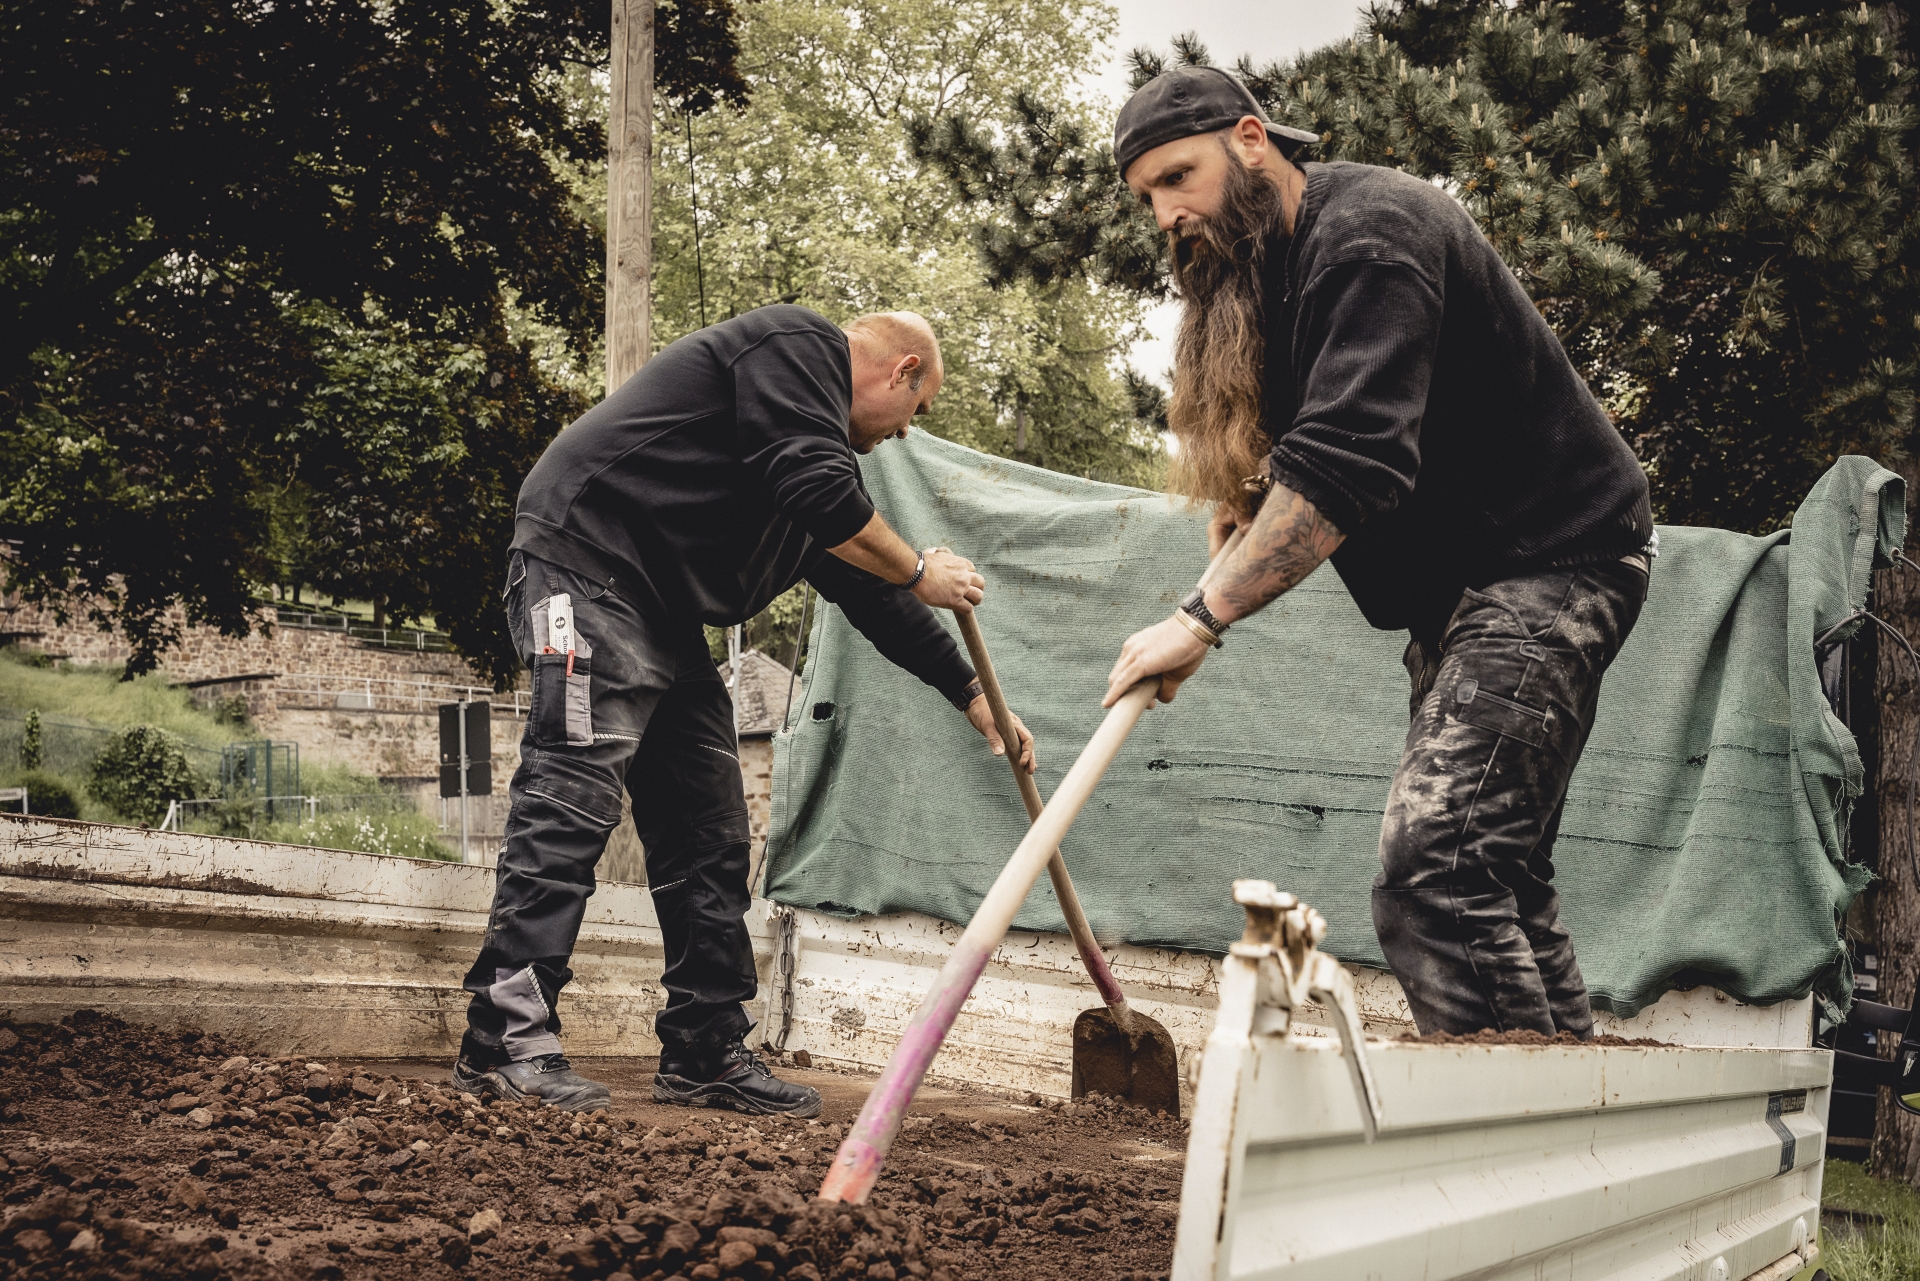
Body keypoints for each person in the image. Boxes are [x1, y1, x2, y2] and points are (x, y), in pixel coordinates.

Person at [1100, 66, 1655, 1039]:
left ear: (1249, 137)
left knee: (1436, 871)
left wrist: (1200, 619)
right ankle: (1569, 1118)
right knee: (1496, 872)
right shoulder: (1266, 274)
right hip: (1468, 587)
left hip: (1551, 560)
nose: (1165, 214)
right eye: (1147, 196)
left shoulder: (1372, 235)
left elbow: (1350, 462)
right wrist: (1242, 513)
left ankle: (1500, 1137)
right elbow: (1301, 449)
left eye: (1177, 177)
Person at [454, 306, 1036, 1114]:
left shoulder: (808, 463)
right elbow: (847, 521)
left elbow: (867, 587)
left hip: (661, 611)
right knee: (572, 797)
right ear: (901, 371)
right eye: (919, 410)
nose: (906, 432)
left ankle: (704, 1050)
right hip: (584, 565)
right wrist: (918, 567)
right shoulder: (798, 349)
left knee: (711, 828)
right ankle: (502, 1040)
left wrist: (973, 694)